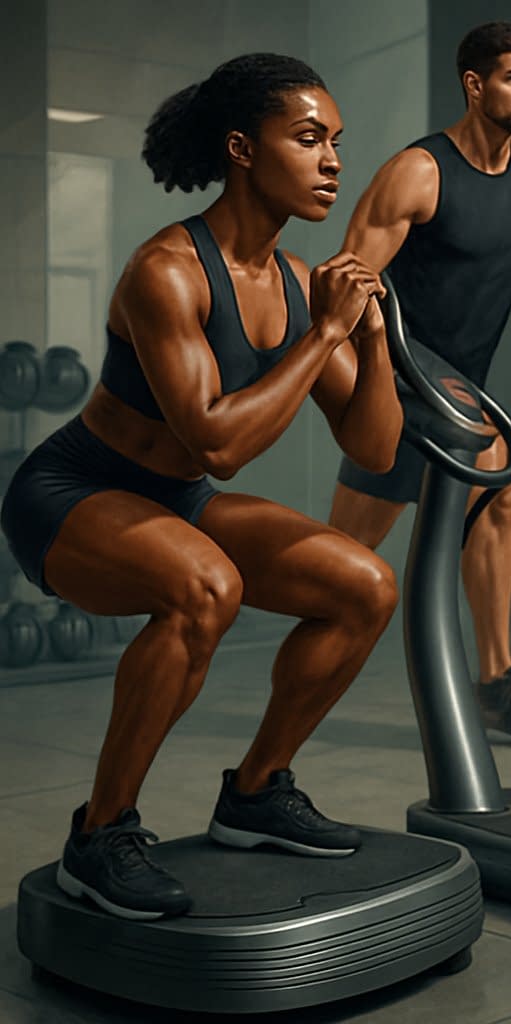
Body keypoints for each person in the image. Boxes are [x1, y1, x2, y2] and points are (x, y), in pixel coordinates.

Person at [0, 53, 404, 921]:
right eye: (307, 138)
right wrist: (326, 333)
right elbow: (218, 442)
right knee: (204, 587)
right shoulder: (168, 272)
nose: (333, 160)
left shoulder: (298, 285)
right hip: (72, 492)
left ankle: (256, 794)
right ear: (241, 149)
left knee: (363, 587)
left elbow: (373, 448)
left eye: (336, 141)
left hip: (172, 501)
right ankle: (98, 836)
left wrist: (367, 339)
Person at [327, 21, 511, 747]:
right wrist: (367, 386)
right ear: (474, 85)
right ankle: (293, 654)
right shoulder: (419, 172)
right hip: (400, 381)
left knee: (503, 491)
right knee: (343, 558)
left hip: (466, 389)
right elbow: (347, 282)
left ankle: (496, 682)